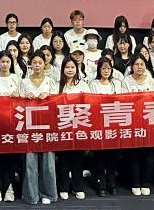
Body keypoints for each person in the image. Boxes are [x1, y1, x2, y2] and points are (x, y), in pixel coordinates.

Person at [21, 51, 58, 205]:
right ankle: (31, 195)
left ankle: (48, 193)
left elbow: (58, 103)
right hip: (29, 127)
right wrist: (24, 98)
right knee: (30, 163)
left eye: (40, 62)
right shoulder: (24, 82)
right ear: (30, 64)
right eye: (34, 62)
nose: (37, 65)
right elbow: (15, 104)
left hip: (47, 126)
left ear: (44, 64)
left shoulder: (50, 81)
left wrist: (49, 98)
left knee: (48, 164)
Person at [0, 54, 21, 202]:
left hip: (12, 123)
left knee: (10, 158)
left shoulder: (16, 78)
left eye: (7, 61)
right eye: (2, 61)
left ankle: (10, 188)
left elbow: (22, 100)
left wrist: (17, 96)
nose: (5, 64)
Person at [122, 56, 154, 195]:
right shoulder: (126, 81)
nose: (139, 67)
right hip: (133, 122)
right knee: (135, 155)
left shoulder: (151, 81)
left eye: (142, 64)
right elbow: (124, 101)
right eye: (136, 64)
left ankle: (146, 182)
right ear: (131, 66)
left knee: (148, 155)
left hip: (148, 122)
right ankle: (135, 182)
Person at [56, 58, 90, 200]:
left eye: (72, 67)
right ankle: (63, 187)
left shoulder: (83, 85)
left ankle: (78, 187)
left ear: (77, 69)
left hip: (78, 126)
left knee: (77, 158)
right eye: (67, 67)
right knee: (63, 159)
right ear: (63, 69)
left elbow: (89, 104)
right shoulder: (57, 85)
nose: (70, 70)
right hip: (62, 126)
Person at [88, 58, 119, 196]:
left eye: (108, 68)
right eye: (103, 68)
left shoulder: (116, 83)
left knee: (112, 156)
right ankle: (101, 184)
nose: (106, 71)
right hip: (98, 123)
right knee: (99, 156)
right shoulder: (93, 84)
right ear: (99, 69)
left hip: (113, 122)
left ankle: (112, 183)